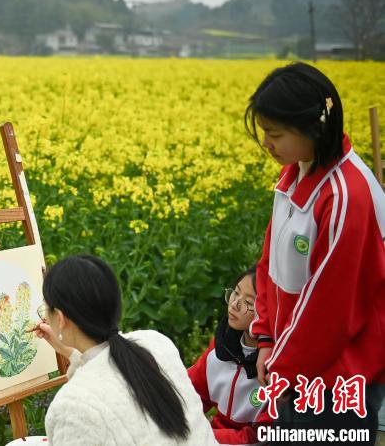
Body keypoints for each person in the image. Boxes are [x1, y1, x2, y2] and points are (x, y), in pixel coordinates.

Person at [245, 61, 385, 444]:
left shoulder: (344, 197)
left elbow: (330, 310)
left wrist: (282, 367)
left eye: (275, 134)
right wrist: (266, 340)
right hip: (294, 370)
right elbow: (269, 266)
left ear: (314, 127)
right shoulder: (295, 173)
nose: (267, 144)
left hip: (335, 384)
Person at [33, 255, 219, 446]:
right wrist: (69, 351)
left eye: (46, 309)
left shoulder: (70, 406)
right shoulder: (156, 343)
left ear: (61, 318)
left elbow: (96, 391)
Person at [188, 265, 272, 445]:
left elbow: (262, 436)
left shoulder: (275, 367)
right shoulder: (223, 345)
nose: (234, 304)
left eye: (248, 303)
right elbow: (189, 393)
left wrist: (205, 437)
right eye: (236, 293)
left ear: (268, 313)